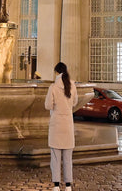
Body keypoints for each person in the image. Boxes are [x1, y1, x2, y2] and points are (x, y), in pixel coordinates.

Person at [45, 62, 78, 190]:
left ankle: (56, 185)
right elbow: (74, 102)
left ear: (57, 73)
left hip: (56, 125)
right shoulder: (72, 86)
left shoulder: (53, 87)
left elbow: (48, 105)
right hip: (68, 124)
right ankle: (68, 185)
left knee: (55, 158)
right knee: (68, 158)